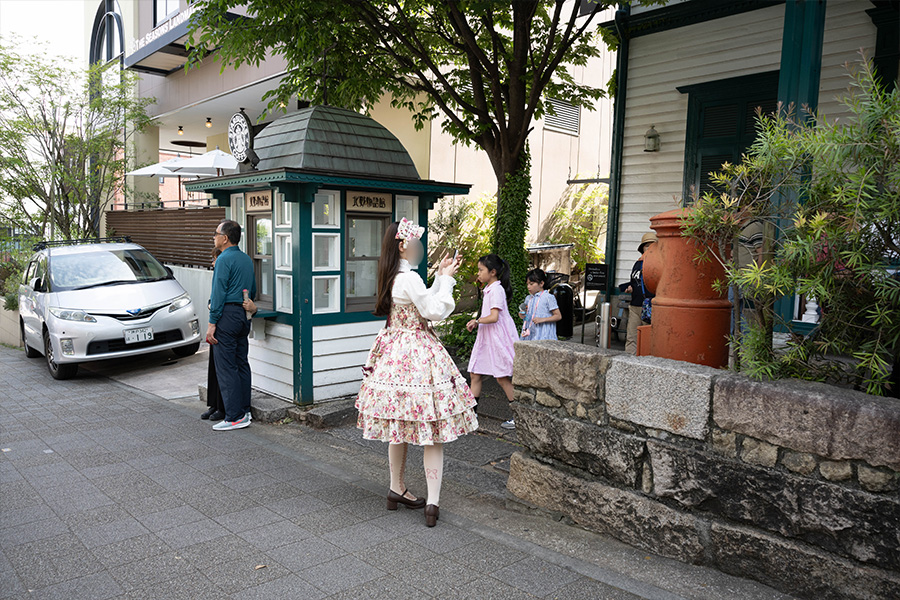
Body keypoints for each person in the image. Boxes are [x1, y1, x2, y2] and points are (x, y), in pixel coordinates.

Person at [356, 218, 478, 528]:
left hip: (397, 357)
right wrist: (447, 280)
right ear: (402, 245)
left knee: (399, 428)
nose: (420, 248)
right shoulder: (407, 278)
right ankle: (432, 503)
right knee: (430, 430)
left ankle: (396, 489)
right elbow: (433, 311)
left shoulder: (396, 276)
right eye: (416, 242)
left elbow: (425, 300)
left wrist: (439, 277)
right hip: (419, 356)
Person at [207, 220, 256, 431]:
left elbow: (218, 294)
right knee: (241, 363)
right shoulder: (246, 259)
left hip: (226, 315)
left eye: (216, 234)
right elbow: (251, 289)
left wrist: (211, 324)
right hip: (243, 314)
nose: (214, 237)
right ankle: (244, 410)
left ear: (225, 238)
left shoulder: (223, 260)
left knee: (226, 367)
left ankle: (234, 416)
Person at [467, 254, 519, 430]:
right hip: (487, 337)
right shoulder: (490, 288)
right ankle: (472, 414)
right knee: (475, 373)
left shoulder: (496, 290)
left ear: (493, 272)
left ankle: (519, 416)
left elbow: (494, 317)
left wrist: (477, 321)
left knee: (502, 377)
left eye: (481, 270)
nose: (478, 273)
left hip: (495, 337)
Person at [619, 232, 657, 355]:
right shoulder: (637, 263)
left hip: (650, 306)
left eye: (653, 245)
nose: (649, 248)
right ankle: (629, 360)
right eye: (647, 246)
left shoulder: (659, 264)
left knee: (648, 337)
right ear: (642, 248)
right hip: (635, 305)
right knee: (632, 336)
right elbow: (634, 281)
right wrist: (630, 287)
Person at [519, 268, 562, 341]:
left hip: (544, 335)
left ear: (541, 283)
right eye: (527, 284)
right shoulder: (528, 298)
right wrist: (522, 315)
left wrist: (542, 319)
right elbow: (526, 315)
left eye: (531, 284)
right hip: (530, 334)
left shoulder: (548, 297)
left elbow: (558, 316)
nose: (528, 287)